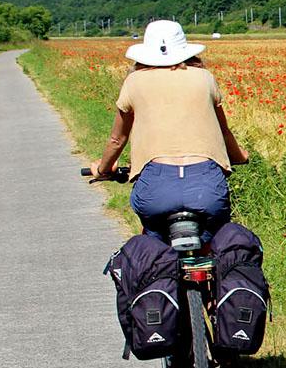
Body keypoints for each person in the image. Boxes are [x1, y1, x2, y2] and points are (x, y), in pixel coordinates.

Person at [90, 19, 248, 244]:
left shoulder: (134, 81)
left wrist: (103, 169)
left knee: (156, 247)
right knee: (216, 245)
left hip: (156, 188)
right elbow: (223, 132)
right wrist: (240, 156)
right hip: (207, 186)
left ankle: (159, 265)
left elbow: (117, 139)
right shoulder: (205, 78)